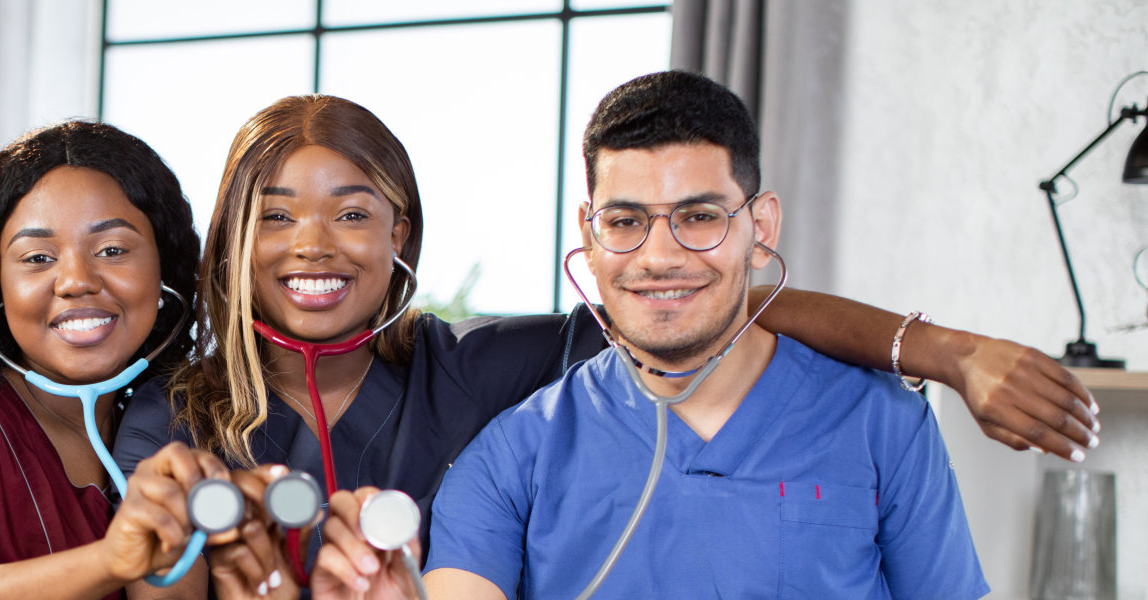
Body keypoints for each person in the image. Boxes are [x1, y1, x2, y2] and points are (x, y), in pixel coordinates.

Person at [112, 94, 1093, 598]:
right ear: (233, 234)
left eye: (354, 212)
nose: (314, 245)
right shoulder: (170, 412)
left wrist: (950, 354)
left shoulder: (482, 372)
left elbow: (720, 305)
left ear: (402, 232)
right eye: (275, 215)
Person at [317, 70, 989, 598]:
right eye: (626, 220)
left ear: (763, 229)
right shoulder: (510, 456)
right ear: (589, 232)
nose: (659, 255)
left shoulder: (884, 424)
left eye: (698, 216)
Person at [0, 120, 234, 600]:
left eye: (112, 250)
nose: (76, 280)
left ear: (164, 272)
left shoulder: (172, 429)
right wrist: (113, 559)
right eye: (36, 258)